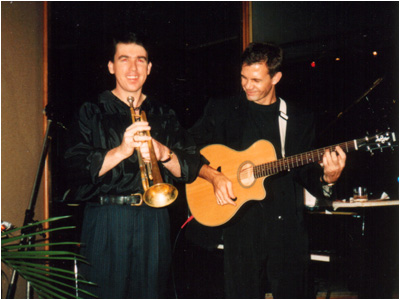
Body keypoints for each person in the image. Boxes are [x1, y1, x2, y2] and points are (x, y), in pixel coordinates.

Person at [188, 42, 346, 298]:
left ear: (276, 77)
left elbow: (305, 172)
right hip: (240, 228)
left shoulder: (299, 118)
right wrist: (212, 175)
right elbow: (188, 148)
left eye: (256, 80)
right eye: (243, 77)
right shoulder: (223, 110)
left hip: (287, 232)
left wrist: (328, 178)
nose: (246, 85)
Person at [63, 32, 202, 299]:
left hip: (154, 219)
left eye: (141, 60)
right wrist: (122, 150)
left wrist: (165, 154)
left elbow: (191, 167)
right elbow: (75, 168)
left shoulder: (164, 113)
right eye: (124, 59)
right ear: (111, 66)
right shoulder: (91, 111)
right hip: (106, 219)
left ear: (149, 68)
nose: (133, 68)